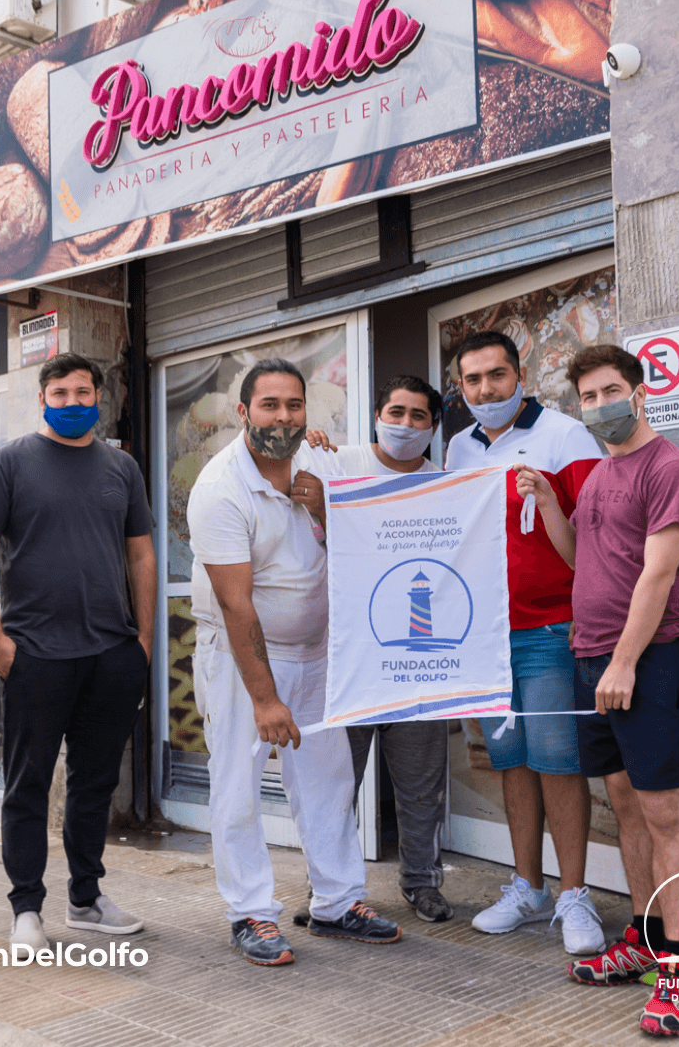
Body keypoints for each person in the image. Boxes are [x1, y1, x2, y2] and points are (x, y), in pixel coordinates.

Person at [515, 343, 679, 1037]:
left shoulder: (671, 468)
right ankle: (647, 940)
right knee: (623, 801)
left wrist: (624, 661)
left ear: (640, 393)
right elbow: (583, 558)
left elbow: (658, 573)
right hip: (592, 655)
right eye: (588, 398)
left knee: (665, 812)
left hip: (649, 657)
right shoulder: (600, 475)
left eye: (609, 392)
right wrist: (548, 502)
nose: (600, 406)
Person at [187, 357, 401, 966]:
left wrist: (327, 509)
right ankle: (250, 912)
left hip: (318, 651)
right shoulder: (219, 489)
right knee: (238, 785)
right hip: (241, 659)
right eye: (269, 405)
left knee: (329, 782)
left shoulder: (322, 462)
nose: (283, 417)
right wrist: (265, 699)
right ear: (243, 412)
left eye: (294, 405)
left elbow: (368, 538)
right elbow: (236, 605)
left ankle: (337, 903)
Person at [0, 352, 156, 953]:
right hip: (36, 655)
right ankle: (26, 909)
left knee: (95, 783)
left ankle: (86, 899)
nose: (73, 402)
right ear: (42, 399)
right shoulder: (9, 463)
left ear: (98, 397)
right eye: (61, 393)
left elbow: (142, 556)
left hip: (111, 653)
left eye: (83, 392)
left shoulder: (121, 468)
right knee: (29, 785)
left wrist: (143, 644)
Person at [445, 331, 606, 955]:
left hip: (550, 628)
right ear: (461, 388)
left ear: (520, 375)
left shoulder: (566, 436)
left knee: (558, 761)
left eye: (497, 375)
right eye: (473, 380)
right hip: (484, 636)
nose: (486, 389)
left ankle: (575, 895)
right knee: (510, 760)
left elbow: (595, 539)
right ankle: (527, 888)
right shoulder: (458, 448)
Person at [302, 374, 453, 924]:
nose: (405, 425)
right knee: (337, 781)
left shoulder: (447, 485)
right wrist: (305, 445)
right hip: (349, 655)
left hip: (418, 659)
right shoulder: (336, 464)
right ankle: (330, 890)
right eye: (396, 412)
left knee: (421, 783)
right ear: (376, 416)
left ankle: (422, 882)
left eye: (418, 416)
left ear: (433, 427)